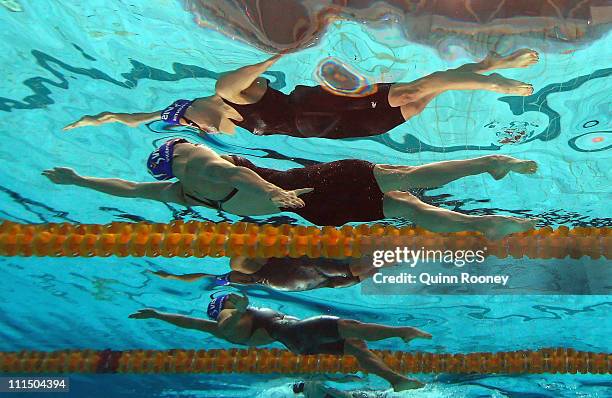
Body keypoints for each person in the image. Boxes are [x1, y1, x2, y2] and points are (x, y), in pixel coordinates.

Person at [43, 138, 538, 239]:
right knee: (412, 199)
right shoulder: (182, 193)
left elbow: (237, 176)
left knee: (410, 195)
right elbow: (128, 190)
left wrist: (275, 194)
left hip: (316, 186)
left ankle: (491, 166)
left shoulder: (206, 172)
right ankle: (489, 220)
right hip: (318, 208)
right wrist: (79, 180)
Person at [63, 49, 538, 139]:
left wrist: (274, 58)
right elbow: (132, 116)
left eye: (187, 121)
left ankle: (494, 80)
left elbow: (237, 77)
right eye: (184, 127)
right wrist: (95, 120)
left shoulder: (226, 96)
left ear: (193, 108)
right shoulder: (212, 118)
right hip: (345, 131)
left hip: (329, 105)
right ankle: (490, 64)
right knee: (422, 96)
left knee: (419, 87)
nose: (192, 129)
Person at [128, 293, 432, 391]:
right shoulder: (225, 323)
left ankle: (397, 381)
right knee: (351, 329)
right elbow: (226, 322)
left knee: (357, 347)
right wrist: (241, 308)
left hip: (299, 342)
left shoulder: (220, 326)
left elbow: (185, 321)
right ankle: (401, 331)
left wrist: (156, 313)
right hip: (298, 334)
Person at [151, 256, 380, 292]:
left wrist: (174, 278)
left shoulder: (243, 276)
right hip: (300, 273)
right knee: (355, 269)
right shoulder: (248, 270)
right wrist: (174, 278)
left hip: (295, 283)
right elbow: (206, 277)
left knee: (357, 273)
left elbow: (205, 277)